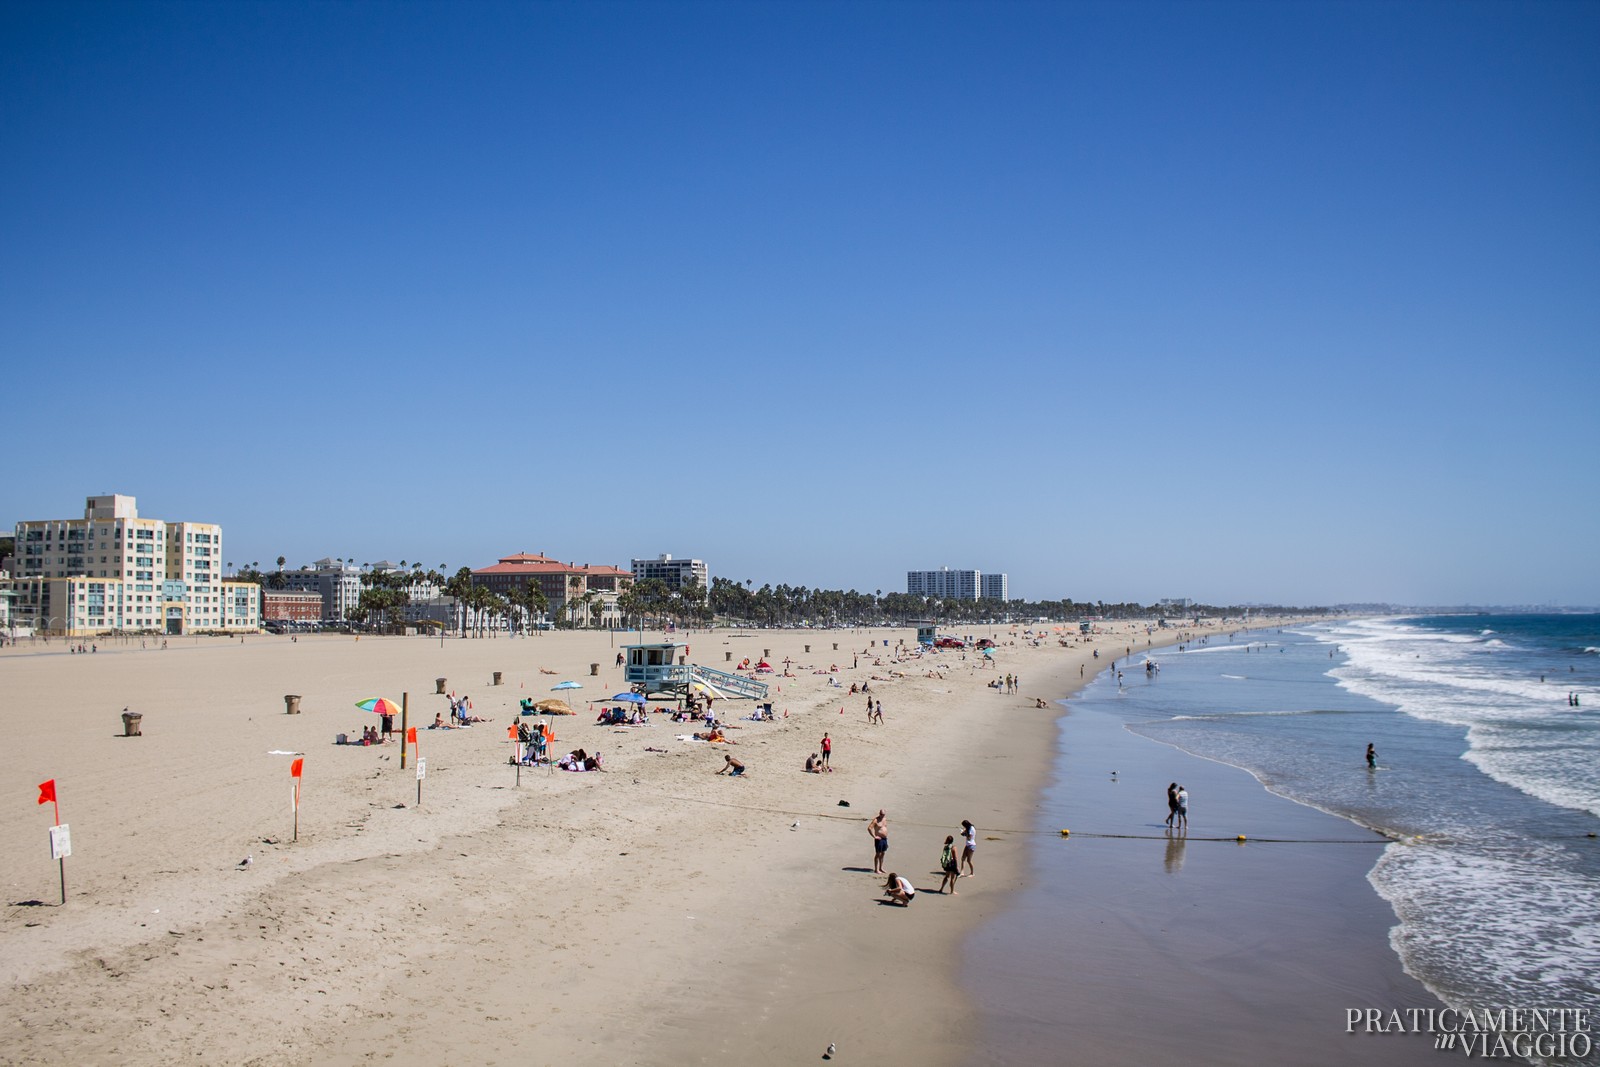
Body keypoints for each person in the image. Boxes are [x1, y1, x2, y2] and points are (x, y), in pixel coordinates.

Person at [869, 810, 888, 874]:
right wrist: (874, 836)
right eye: (881, 814)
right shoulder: (876, 820)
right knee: (878, 854)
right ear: (879, 814)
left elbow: (884, 828)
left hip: (884, 839)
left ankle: (881, 868)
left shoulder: (885, 819)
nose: (882, 815)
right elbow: (869, 828)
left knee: (883, 853)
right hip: (878, 839)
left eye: (883, 814)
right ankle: (876, 869)